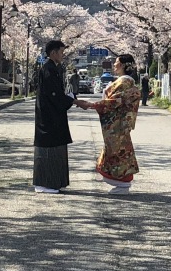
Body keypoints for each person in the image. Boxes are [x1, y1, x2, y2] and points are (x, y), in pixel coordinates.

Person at [33, 40, 89, 194]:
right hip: (48, 116)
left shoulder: (54, 68)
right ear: (53, 53)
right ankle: (44, 184)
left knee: (57, 147)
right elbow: (55, 95)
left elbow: (59, 94)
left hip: (54, 114)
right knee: (49, 148)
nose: (63, 55)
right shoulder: (48, 69)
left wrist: (72, 100)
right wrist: (75, 101)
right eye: (61, 52)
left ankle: (55, 182)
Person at [84, 54, 141, 194]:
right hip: (119, 124)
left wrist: (93, 105)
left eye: (116, 62)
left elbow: (114, 101)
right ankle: (122, 182)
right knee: (119, 151)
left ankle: (122, 183)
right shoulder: (125, 82)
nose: (114, 65)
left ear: (122, 65)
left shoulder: (123, 83)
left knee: (117, 152)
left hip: (117, 124)